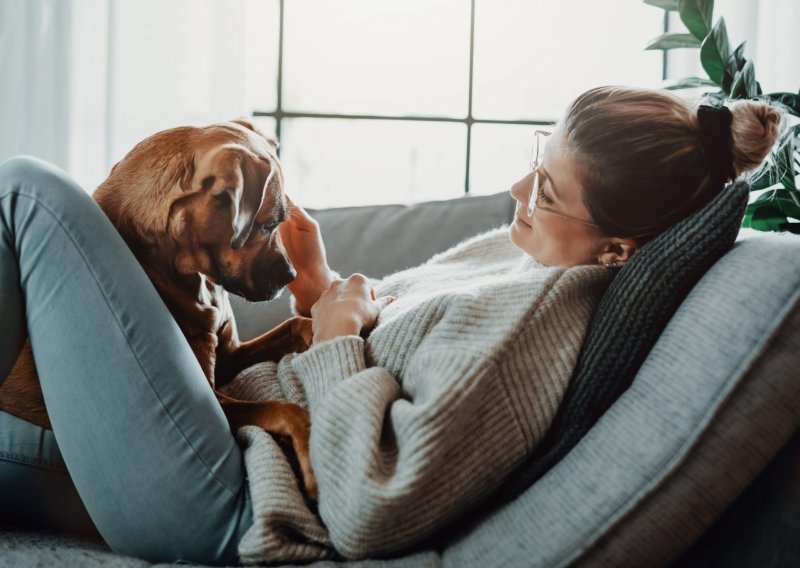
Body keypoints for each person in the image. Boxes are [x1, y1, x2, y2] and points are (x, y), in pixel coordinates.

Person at [0, 86, 782, 565]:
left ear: (615, 250)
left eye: (545, 188)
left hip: (223, 492)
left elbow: (372, 503)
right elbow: (375, 350)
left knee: (27, 193)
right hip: (213, 430)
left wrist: (336, 338)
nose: (515, 187)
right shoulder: (514, 258)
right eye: (536, 153)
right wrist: (319, 292)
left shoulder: (535, 325)